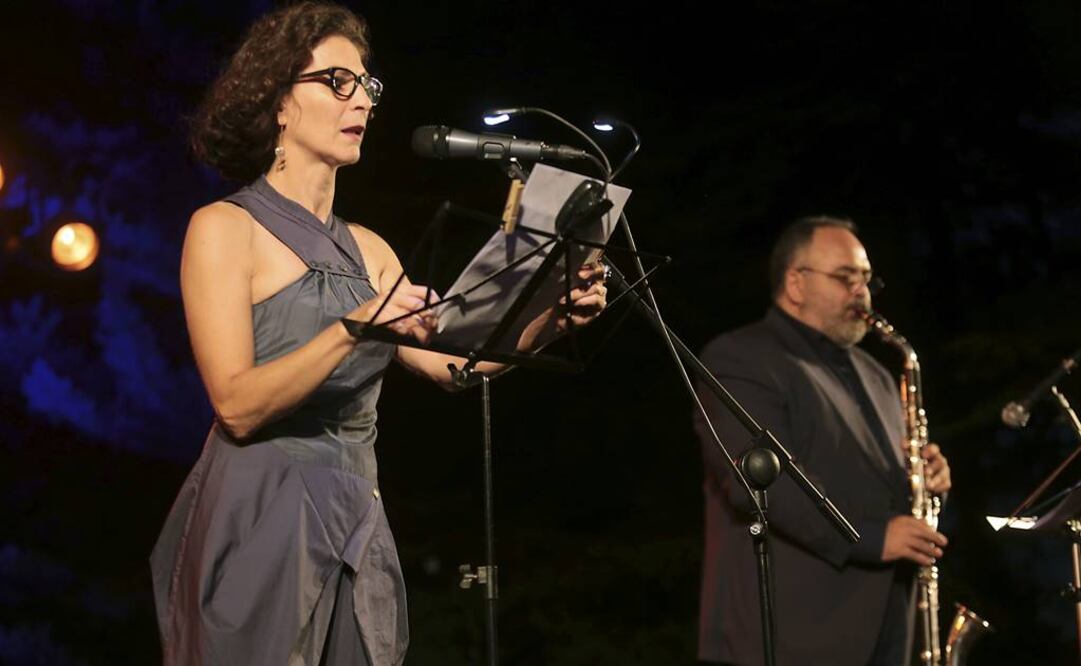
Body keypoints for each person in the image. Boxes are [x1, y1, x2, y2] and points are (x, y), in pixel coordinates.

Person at [149, 3, 607, 664]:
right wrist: (352, 328)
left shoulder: (370, 250)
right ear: (279, 101)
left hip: (354, 512)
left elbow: (454, 366)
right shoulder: (224, 228)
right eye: (338, 81)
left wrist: (549, 321)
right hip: (262, 510)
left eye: (366, 84)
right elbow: (236, 405)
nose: (361, 99)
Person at [694, 217, 952, 666]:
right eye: (845, 277)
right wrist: (872, 538)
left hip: (886, 629)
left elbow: (881, 487)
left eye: (866, 279)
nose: (861, 292)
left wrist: (927, 481)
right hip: (790, 636)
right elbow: (762, 482)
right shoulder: (741, 357)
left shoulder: (877, 375)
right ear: (796, 283)